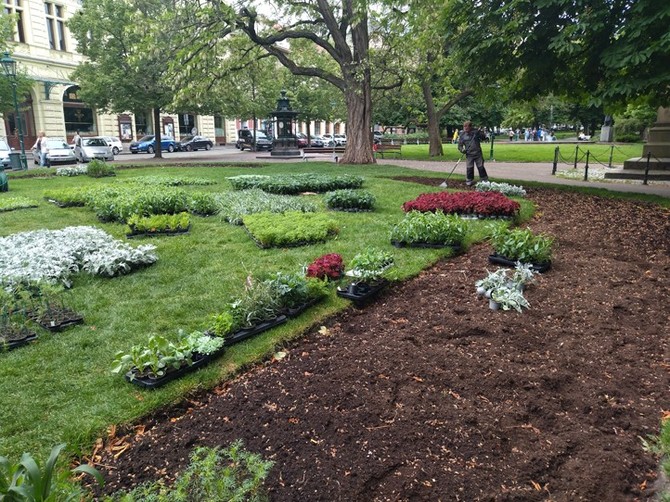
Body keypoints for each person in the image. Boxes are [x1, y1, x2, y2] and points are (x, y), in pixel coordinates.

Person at [458, 121, 489, 186]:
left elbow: (483, 138)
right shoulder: (462, 135)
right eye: (464, 127)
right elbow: (460, 146)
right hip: (469, 154)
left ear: (470, 127)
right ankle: (469, 180)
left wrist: (480, 133)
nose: (465, 129)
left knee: (480, 167)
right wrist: (462, 150)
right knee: (469, 168)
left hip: (478, 153)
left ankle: (484, 180)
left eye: (467, 127)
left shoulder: (476, 132)